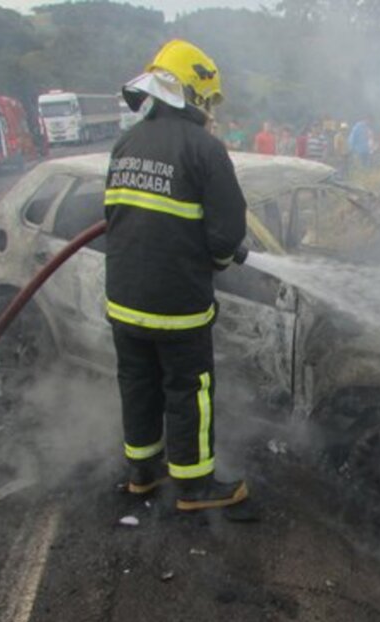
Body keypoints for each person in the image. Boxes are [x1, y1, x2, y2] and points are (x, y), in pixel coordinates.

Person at [106, 39, 249, 511]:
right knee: (190, 390)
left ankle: (142, 474)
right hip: (177, 305)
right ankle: (194, 486)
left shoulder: (125, 143)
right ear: (195, 93)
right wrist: (221, 260)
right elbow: (227, 234)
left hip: (124, 299)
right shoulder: (205, 149)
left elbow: (118, 217)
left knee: (137, 383)